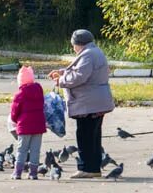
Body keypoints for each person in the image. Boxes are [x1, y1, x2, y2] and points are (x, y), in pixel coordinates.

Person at [49, 30, 114, 179]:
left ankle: (87, 168)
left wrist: (61, 80)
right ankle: (94, 167)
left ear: (79, 44)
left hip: (88, 103)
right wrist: (61, 72)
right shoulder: (94, 52)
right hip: (96, 101)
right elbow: (80, 71)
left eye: (73, 45)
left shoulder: (88, 55)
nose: (73, 48)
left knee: (85, 135)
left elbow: (79, 76)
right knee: (94, 135)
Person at [9, 65, 47, 180]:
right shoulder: (39, 91)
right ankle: (33, 173)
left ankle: (17, 172)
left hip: (24, 126)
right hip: (39, 125)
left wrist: (15, 120)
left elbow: (14, 112)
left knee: (22, 149)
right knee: (35, 149)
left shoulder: (19, 95)